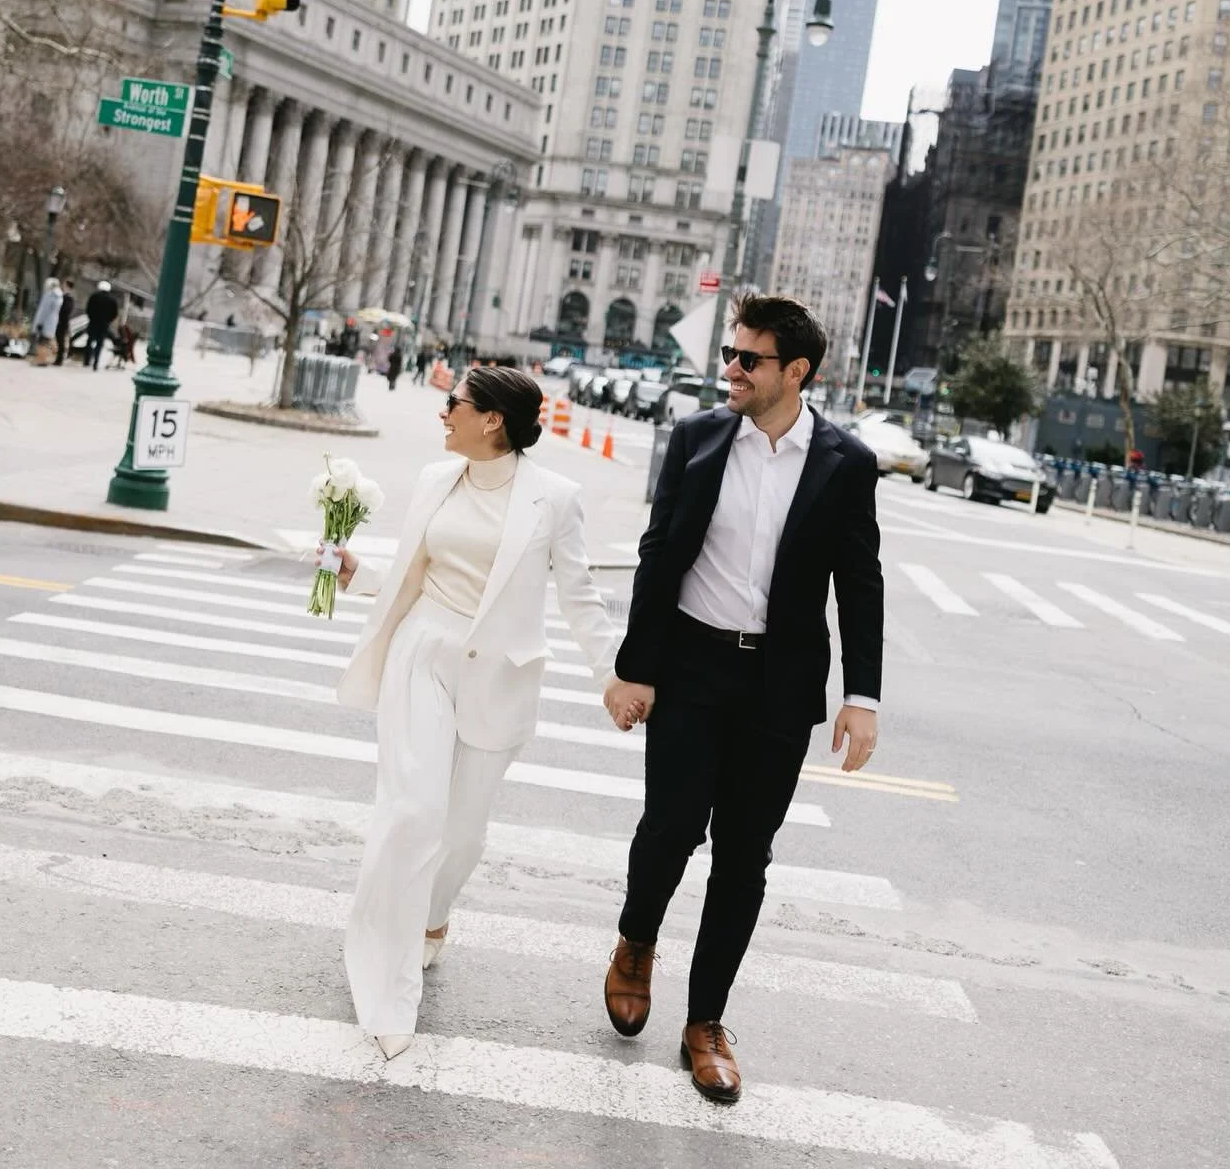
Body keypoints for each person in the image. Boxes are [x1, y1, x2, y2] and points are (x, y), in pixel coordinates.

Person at [604, 290, 884, 1107]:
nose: (730, 369)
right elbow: (659, 557)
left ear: (795, 372)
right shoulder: (696, 437)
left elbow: (859, 584)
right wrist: (635, 667)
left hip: (780, 683)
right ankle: (635, 944)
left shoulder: (845, 462)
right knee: (669, 829)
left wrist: (861, 696)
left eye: (748, 359)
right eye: (730, 353)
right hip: (691, 666)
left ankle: (706, 1025)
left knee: (744, 856)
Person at [329, 366, 634, 1062]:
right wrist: (357, 574)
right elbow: (414, 571)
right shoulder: (439, 480)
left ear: (493, 419)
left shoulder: (553, 499)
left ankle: (432, 917)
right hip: (422, 654)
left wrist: (613, 677)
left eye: (454, 404)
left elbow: (580, 598)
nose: (444, 413)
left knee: (462, 833)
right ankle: (385, 971)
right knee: (411, 813)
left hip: (498, 676)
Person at [83, 280, 119, 370]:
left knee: (89, 341)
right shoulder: (112, 300)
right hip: (104, 325)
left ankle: (87, 360)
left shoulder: (94, 296)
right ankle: (96, 362)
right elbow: (115, 313)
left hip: (93, 323)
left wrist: (91, 318)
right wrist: (108, 320)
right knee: (99, 343)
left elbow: (88, 309)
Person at [31, 277, 63, 362]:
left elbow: (44, 310)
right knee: (46, 342)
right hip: (52, 322)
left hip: (45, 322)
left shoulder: (50, 295)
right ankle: (43, 359)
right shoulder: (59, 296)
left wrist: (40, 323)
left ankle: (41, 359)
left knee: (42, 342)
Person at [54, 279, 76, 365]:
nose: (62, 286)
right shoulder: (63, 296)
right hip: (60, 321)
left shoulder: (68, 298)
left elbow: (66, 310)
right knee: (59, 340)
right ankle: (58, 359)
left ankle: (59, 360)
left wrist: (60, 318)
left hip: (62, 322)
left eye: (64, 284)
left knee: (61, 341)